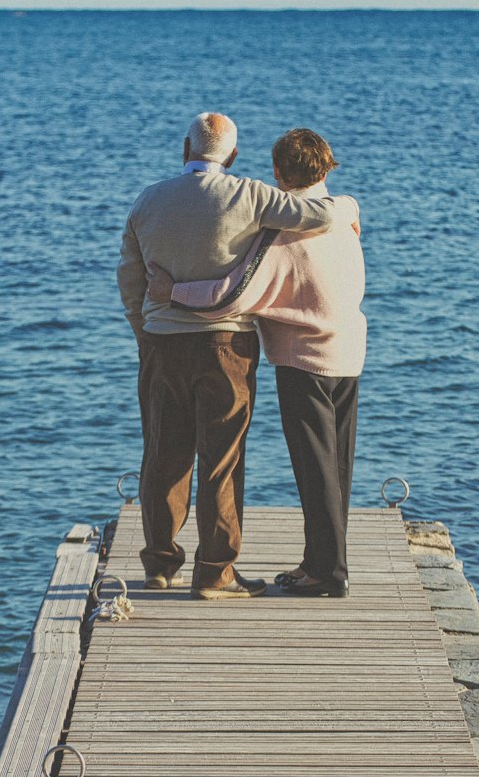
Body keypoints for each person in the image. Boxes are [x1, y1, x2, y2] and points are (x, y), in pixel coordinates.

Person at [117, 113, 355, 601]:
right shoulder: (250, 196)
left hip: (162, 341)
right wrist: (349, 202)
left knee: (164, 452)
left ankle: (161, 564)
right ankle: (215, 573)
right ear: (233, 156)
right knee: (221, 459)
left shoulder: (148, 199)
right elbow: (323, 215)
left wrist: (145, 331)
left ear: (185, 147)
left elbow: (129, 275)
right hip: (225, 345)